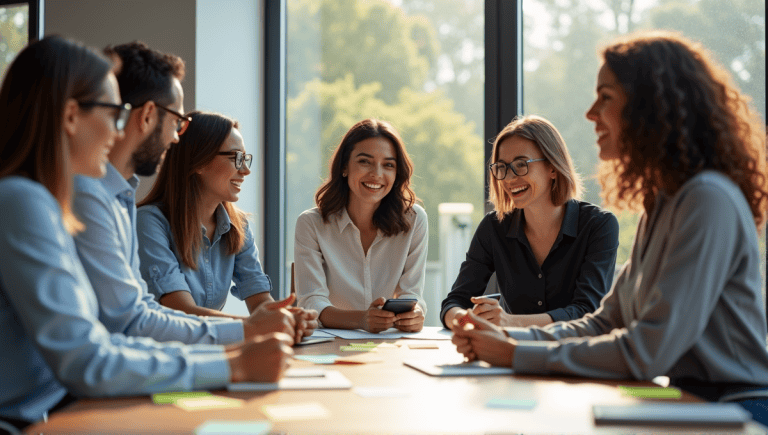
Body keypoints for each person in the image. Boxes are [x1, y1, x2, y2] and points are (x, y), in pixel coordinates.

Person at [452, 31, 768, 424]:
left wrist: (515, 352)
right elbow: (604, 322)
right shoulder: (664, 202)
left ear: (649, 107)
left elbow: (646, 350)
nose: (590, 113)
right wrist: (507, 339)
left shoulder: (706, 199)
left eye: (606, 97)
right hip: (685, 398)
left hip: (735, 409)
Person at [0, 36, 292, 432]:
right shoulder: (23, 201)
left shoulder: (50, 199)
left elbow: (120, 329)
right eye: (112, 112)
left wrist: (237, 346)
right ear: (71, 117)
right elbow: (89, 357)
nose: (118, 129)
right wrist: (233, 361)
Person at [71, 41, 299, 346]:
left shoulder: (119, 198)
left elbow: (140, 314)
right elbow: (145, 319)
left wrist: (285, 321)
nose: (176, 138)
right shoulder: (104, 202)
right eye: (178, 122)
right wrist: (250, 331)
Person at [136, 111, 318, 343]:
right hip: (163, 354)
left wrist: (286, 318)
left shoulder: (237, 225)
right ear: (198, 161)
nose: (245, 171)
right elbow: (180, 311)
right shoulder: (149, 222)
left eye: (246, 158)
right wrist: (258, 326)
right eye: (236, 158)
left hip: (210, 349)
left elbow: (260, 302)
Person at [441, 115, 619, 329]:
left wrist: (509, 322)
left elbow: (586, 311)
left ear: (552, 167)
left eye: (521, 164)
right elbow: (454, 302)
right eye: (502, 167)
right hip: (510, 355)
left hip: (573, 355)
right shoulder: (493, 227)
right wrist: (464, 319)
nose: (508, 178)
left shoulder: (599, 226)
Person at [294, 118, 428, 332]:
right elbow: (312, 303)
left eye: (388, 165)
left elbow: (411, 295)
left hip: (389, 344)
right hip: (330, 343)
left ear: (397, 174)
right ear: (345, 167)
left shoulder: (414, 220)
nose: (377, 174)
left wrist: (415, 314)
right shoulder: (311, 224)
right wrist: (361, 320)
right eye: (365, 161)